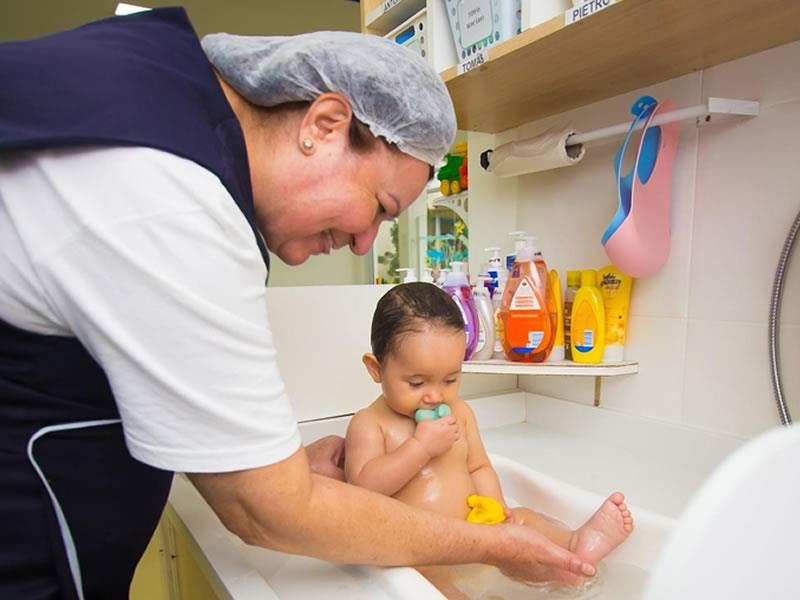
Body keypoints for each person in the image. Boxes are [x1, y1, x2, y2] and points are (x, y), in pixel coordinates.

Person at [0, 7, 596, 599]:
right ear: (327, 123)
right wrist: (495, 547)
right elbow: (268, 514)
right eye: (382, 207)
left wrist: (269, 464)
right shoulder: (176, 200)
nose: (366, 241)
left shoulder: (161, 97)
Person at [345, 282, 634, 597]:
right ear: (376, 369)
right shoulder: (370, 424)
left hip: (476, 529)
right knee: (429, 584)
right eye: (416, 382)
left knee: (522, 521)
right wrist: (420, 448)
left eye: (450, 379)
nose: (435, 395)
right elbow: (361, 492)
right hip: (421, 551)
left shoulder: (461, 413)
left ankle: (573, 546)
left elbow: (479, 466)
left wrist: (496, 507)